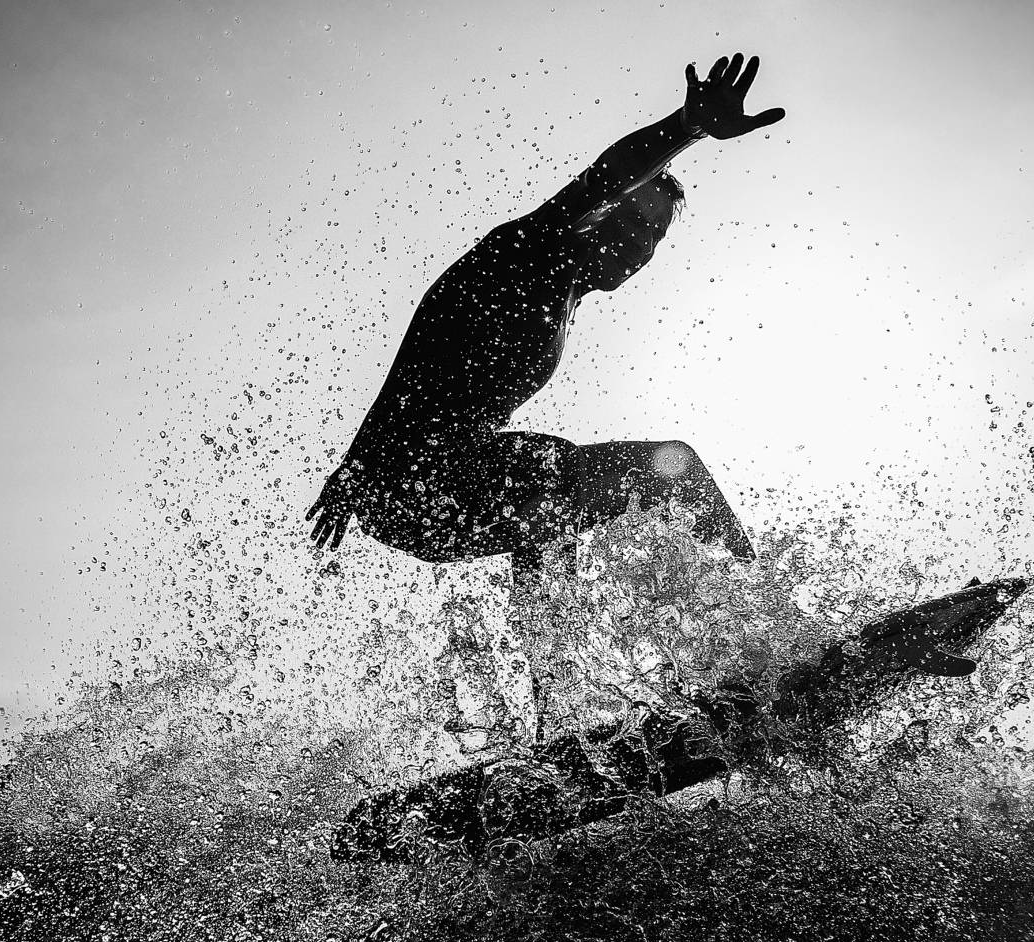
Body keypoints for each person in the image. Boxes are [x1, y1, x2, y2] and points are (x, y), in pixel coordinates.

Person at [306, 54, 783, 568]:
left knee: (563, 487)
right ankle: (761, 595)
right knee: (658, 468)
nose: (640, 247)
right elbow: (418, 362)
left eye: (654, 236)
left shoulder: (563, 293)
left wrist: (358, 466)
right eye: (633, 223)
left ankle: (553, 626)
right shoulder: (531, 250)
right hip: (410, 479)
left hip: (435, 481)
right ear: (601, 213)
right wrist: (686, 127)